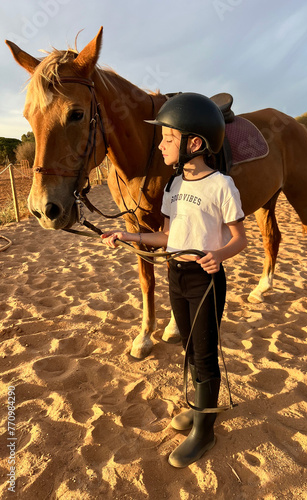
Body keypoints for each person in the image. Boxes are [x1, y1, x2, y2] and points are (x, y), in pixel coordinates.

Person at [101, 92, 247, 468]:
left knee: (205, 352)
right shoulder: (173, 185)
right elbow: (167, 236)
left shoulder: (221, 187)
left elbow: (239, 238)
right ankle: (201, 407)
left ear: (193, 143)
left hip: (205, 279)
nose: (161, 144)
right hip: (176, 275)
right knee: (188, 350)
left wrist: (219, 255)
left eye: (168, 138)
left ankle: (205, 430)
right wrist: (129, 236)